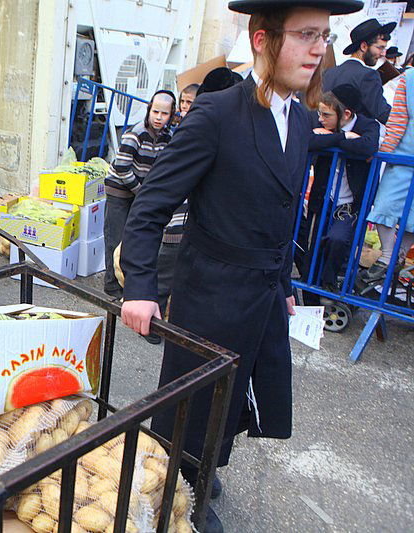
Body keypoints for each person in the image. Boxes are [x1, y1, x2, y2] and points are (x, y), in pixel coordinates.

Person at [119, 1, 363, 530]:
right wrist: (139, 287)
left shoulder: (299, 118)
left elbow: (280, 213)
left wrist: (285, 282)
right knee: (192, 404)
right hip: (210, 293)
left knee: (238, 397)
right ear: (261, 38)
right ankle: (179, 493)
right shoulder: (216, 114)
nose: (320, 49)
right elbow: (149, 207)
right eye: (305, 35)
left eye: (325, 35)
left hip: (262, 292)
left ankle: (205, 465)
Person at [301, 86, 379, 301]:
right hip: (324, 198)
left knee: (337, 239)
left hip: (350, 203)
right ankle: (310, 300)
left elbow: (367, 146)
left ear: (345, 114)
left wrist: (334, 138)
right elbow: (308, 140)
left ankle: (328, 284)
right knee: (314, 247)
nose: (321, 119)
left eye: (326, 115)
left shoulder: (367, 125)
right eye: (319, 113)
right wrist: (342, 137)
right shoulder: (325, 124)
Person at [103, 90, 174, 303]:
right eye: (155, 112)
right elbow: (121, 166)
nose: (158, 117)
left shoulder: (169, 138)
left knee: (132, 240)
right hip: (119, 189)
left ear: (171, 115)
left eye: (164, 113)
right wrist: (141, 192)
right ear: (149, 110)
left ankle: (127, 285)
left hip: (138, 190)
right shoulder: (136, 133)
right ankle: (111, 286)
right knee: (115, 238)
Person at [361, 62, 414, 283]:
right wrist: (384, 152)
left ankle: (396, 255)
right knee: (384, 206)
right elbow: (397, 121)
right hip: (402, 159)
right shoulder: (409, 79)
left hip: (402, 158)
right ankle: (388, 255)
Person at [323, 18, 395, 124]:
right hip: (356, 138)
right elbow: (381, 112)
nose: (383, 54)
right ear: (364, 46)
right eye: (380, 48)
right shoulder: (368, 75)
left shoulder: (328, 73)